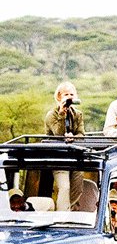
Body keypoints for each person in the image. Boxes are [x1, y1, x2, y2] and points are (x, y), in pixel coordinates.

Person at [45, 81, 85, 211]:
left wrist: (74, 138)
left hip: (75, 156)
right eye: (66, 94)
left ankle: (71, 213)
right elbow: (58, 134)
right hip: (58, 156)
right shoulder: (51, 115)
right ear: (59, 97)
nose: (69, 97)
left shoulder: (77, 114)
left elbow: (81, 133)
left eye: (72, 94)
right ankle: (61, 217)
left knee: (77, 187)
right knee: (64, 187)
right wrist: (62, 114)